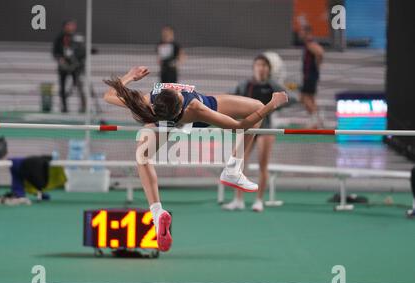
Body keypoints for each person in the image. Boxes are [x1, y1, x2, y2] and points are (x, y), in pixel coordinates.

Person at [103, 66, 288, 251]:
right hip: (190, 113)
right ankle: (233, 168)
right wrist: (271, 105)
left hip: (159, 119)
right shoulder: (194, 107)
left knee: (142, 157)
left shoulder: (146, 102)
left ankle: (157, 211)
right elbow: (239, 126)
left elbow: (109, 95)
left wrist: (130, 76)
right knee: (257, 107)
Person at [223, 54, 288, 212]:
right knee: (238, 163)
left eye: (264, 65)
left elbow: (288, 98)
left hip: (265, 129)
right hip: (248, 128)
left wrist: (275, 106)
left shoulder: (273, 86)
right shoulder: (245, 85)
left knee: (262, 165)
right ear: (254, 68)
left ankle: (258, 200)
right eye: (258, 65)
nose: (261, 68)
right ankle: (238, 200)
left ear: (268, 69)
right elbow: (229, 97)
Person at [52, 20, 86, 113]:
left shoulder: (77, 38)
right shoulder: (59, 38)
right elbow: (55, 53)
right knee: (62, 87)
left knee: (79, 86)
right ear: (65, 27)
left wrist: (77, 59)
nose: (71, 27)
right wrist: (60, 58)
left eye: (72, 26)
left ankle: (83, 107)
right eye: (69, 25)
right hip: (63, 67)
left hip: (75, 67)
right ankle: (64, 107)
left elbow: (82, 52)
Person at [299, 25, 324, 128]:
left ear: (306, 32)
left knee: (304, 98)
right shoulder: (307, 43)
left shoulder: (310, 43)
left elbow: (320, 52)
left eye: (301, 32)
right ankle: (318, 119)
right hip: (310, 75)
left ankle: (315, 120)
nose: (300, 34)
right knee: (311, 98)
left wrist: (318, 64)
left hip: (310, 76)